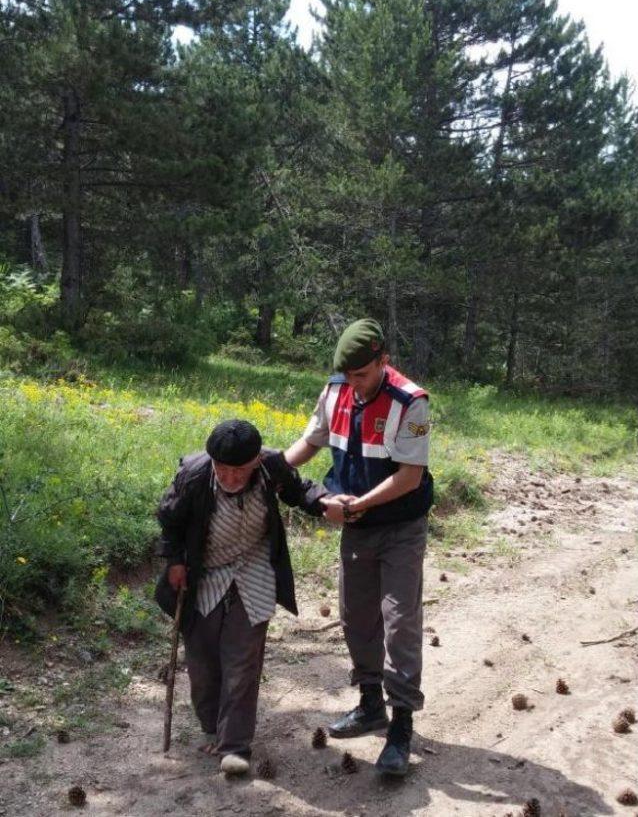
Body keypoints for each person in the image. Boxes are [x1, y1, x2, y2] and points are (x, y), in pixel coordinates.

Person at [285, 318, 433, 777]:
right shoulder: (335, 391)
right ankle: (371, 703)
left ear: (383, 362)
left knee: (399, 619)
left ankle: (401, 725)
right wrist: (264, 470)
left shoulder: (411, 402)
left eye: (363, 375)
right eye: (348, 376)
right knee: (355, 615)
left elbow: (409, 476)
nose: (355, 384)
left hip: (400, 526)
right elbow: (310, 443)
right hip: (357, 526)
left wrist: (356, 506)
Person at [155, 419, 326, 775]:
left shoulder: (270, 466)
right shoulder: (194, 475)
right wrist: (174, 562)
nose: (231, 478)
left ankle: (234, 745)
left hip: (254, 569)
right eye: (223, 470)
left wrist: (325, 502)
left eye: (240, 471)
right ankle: (212, 728)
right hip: (205, 572)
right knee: (202, 661)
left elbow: (299, 491)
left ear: (255, 461)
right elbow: (169, 519)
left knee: (242, 660)